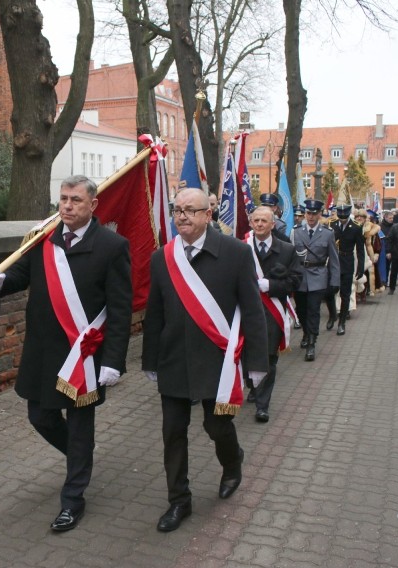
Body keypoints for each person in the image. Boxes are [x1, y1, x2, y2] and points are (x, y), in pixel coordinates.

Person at [0, 175, 133, 532]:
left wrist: (113, 360)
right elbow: (20, 275)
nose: (66, 206)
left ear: (92, 205)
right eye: (63, 199)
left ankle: (73, 498)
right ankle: (81, 460)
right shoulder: (42, 238)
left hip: (84, 355)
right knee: (41, 418)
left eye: (75, 200)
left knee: (81, 428)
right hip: (43, 352)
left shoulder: (112, 246)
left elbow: (121, 308)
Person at [142, 188, 268, 533]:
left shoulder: (236, 253)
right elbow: (154, 314)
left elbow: (253, 313)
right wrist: (150, 359)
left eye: (191, 210)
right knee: (172, 432)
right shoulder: (162, 257)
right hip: (173, 359)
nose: (182, 216)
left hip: (218, 361)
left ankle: (232, 463)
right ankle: (179, 501)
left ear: (208, 215)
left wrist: (255, 365)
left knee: (216, 427)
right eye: (177, 210)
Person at [246, 207, 302, 423]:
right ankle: (253, 385)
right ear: (251, 223)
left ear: (272, 225)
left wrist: (271, 285)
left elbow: (296, 280)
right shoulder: (242, 248)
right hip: (247, 312)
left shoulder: (287, 250)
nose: (259, 224)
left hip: (272, 312)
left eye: (264, 221)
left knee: (269, 358)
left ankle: (262, 405)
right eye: (256, 220)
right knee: (248, 354)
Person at [291, 199, 340, 361]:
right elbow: (290, 256)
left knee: (314, 310)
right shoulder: (296, 231)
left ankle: (312, 342)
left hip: (318, 275)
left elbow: (333, 259)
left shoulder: (327, 233)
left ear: (320, 214)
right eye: (308, 213)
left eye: (314, 213)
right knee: (301, 310)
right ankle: (306, 332)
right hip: (299, 276)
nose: (311, 217)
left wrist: (335, 281)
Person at [331, 205, 365, 334]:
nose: (342, 220)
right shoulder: (332, 224)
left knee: (345, 293)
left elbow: (360, 249)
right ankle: (332, 315)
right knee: (331, 290)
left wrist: (360, 267)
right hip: (333, 262)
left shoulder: (356, 227)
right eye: (340, 217)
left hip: (347, 261)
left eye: (344, 217)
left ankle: (342, 322)